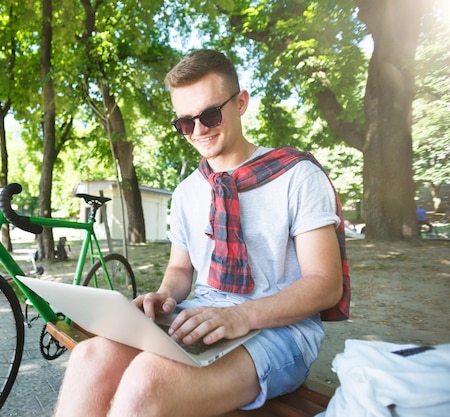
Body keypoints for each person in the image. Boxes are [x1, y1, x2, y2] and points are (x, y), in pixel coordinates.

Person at [53, 49, 349, 417]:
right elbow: (180, 271)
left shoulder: (297, 176)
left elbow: (325, 284)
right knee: (90, 355)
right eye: (185, 123)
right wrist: (160, 298)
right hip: (201, 315)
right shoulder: (187, 192)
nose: (199, 130)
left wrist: (240, 316)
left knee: (147, 381)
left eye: (210, 114)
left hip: (281, 331)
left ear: (240, 102)